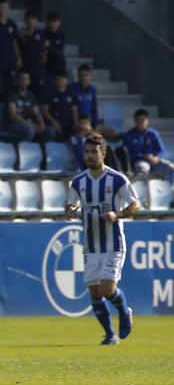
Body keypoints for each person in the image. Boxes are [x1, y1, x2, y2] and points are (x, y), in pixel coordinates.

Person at [65, 135, 141, 344]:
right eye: (87, 152)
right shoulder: (79, 181)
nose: (89, 156)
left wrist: (117, 215)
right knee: (94, 292)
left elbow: (136, 205)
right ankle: (110, 335)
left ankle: (124, 311)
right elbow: (70, 203)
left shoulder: (117, 179)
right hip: (91, 244)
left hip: (113, 243)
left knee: (107, 289)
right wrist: (70, 209)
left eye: (93, 152)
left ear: (103, 154)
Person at [122, 109, 174, 183]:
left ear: (147, 120)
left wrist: (157, 157)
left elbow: (161, 151)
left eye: (142, 120)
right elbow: (126, 154)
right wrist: (142, 156)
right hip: (139, 161)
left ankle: (169, 191)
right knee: (143, 168)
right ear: (134, 121)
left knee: (171, 168)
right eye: (137, 120)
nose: (140, 122)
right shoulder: (129, 135)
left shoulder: (153, 134)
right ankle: (146, 193)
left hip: (154, 161)